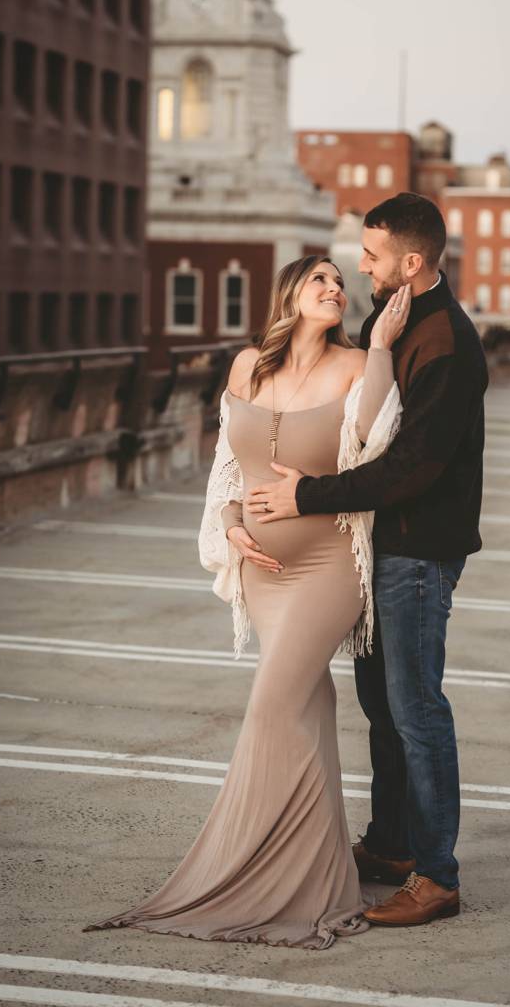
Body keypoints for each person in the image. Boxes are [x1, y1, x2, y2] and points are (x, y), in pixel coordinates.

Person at [85, 255, 407, 949]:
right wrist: (231, 524)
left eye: (339, 282)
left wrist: (381, 347)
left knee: (272, 704)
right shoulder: (246, 368)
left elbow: (380, 442)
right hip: (262, 569)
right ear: (291, 292)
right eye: (319, 278)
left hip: (328, 564)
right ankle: (320, 877)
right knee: (307, 708)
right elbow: (227, 466)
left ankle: (239, 870)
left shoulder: (356, 364)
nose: (333, 287)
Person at [247, 192, 486, 928]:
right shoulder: (397, 321)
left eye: (373, 256)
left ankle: (436, 877)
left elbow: (409, 467)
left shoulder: (443, 340)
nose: (360, 266)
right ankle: (391, 845)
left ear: (411, 263)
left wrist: (308, 496)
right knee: (383, 706)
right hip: (380, 549)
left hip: (417, 552)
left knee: (416, 710)